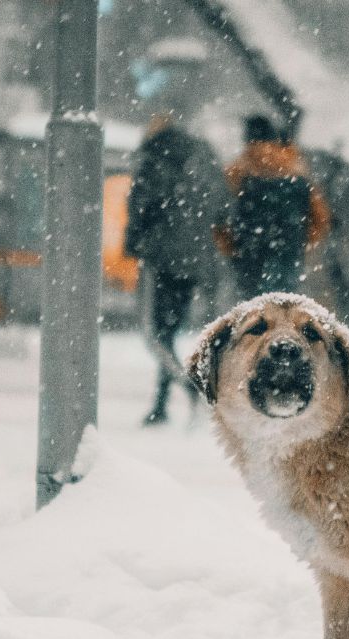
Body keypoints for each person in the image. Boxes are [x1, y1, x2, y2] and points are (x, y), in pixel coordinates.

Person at [125, 116, 226, 425]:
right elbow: (224, 209)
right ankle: (161, 403)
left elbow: (140, 207)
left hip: (160, 258)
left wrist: (134, 245)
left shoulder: (155, 162)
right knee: (169, 332)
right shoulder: (205, 161)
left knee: (155, 335)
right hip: (196, 260)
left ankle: (184, 387)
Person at [215, 114, 330, 299]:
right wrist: (302, 241)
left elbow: (220, 218)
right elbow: (321, 219)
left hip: (248, 252)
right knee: (284, 307)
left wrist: (231, 247)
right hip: (289, 249)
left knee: (255, 312)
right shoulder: (297, 170)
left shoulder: (236, 172)